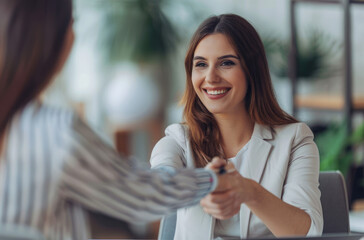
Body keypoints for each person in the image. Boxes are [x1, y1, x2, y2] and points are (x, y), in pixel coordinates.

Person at [0, 1, 231, 239]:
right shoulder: (56, 132)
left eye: (226, 62)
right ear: (57, 41)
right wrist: (211, 179)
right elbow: (141, 194)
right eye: (72, 25)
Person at [150, 14, 323, 239]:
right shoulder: (178, 140)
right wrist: (203, 185)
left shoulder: (295, 140)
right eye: (201, 64)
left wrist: (249, 192)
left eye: (226, 63)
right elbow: (161, 184)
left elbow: (308, 232)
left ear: (252, 70)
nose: (210, 77)